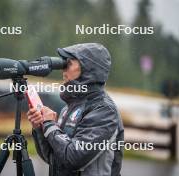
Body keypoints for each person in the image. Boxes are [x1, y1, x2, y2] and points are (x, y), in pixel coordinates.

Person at [27, 43, 124, 176]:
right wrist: (40, 128)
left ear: (87, 69)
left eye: (69, 63)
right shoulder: (69, 108)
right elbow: (55, 159)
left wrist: (50, 125)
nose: (63, 70)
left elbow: (74, 158)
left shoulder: (104, 110)